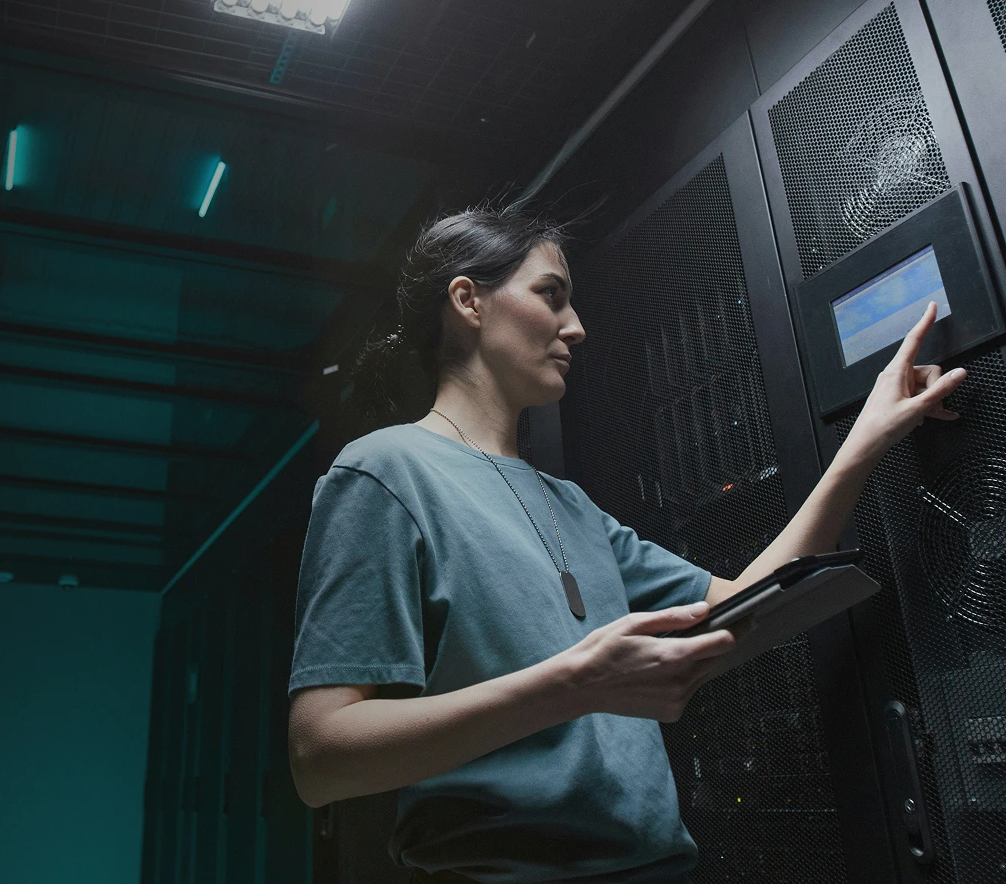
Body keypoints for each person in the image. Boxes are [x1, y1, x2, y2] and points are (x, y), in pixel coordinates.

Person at [286, 204, 966, 883]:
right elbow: (320, 756)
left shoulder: (572, 507)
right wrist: (574, 685)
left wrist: (867, 437)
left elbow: (740, 609)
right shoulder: (384, 473)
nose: (576, 328)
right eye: (551, 296)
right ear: (468, 301)